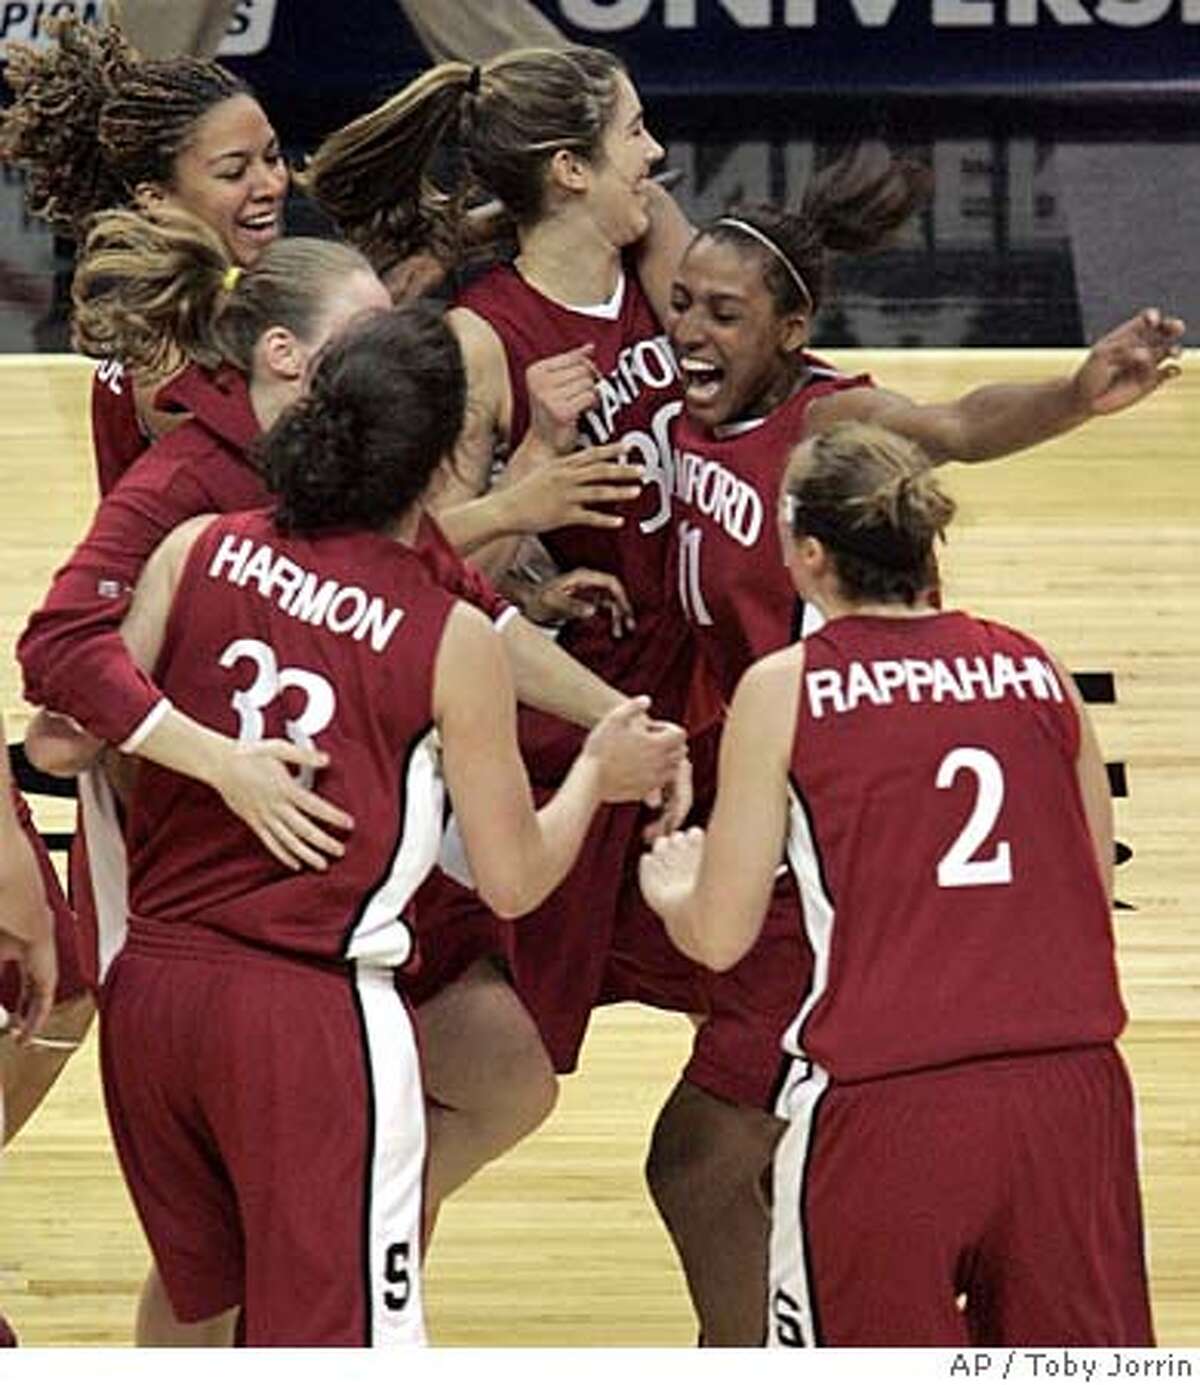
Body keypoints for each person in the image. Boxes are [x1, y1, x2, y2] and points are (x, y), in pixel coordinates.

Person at [20, 205, 688, 1342]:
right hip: (296, 981)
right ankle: (339, 1241)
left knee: (497, 1076)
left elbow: (55, 736)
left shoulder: (215, 548)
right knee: (272, 1305)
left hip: (176, 987)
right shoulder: (191, 490)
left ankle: (345, 1230)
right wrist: (211, 756)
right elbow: (59, 676)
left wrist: (606, 705)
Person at [643, 146, 1185, 1343]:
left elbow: (952, 424)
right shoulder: (688, 372)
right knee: (717, 1153)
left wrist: (1071, 393)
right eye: (680, 299)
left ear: (791, 332)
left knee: (698, 1155)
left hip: (804, 834)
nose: (687, 325)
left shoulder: (826, 417)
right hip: (735, 789)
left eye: (722, 313)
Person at [301, 38, 707, 1094]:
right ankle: (359, 1211)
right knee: (502, 1053)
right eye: (632, 133)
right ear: (569, 170)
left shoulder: (655, 261)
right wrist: (529, 495)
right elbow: (424, 557)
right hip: (552, 728)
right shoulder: (485, 340)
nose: (654, 152)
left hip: (672, 688)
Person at [0, 15, 289, 494]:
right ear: (155, 197)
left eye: (273, 157)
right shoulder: (166, 344)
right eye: (234, 172)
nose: (271, 185)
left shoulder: (206, 294)